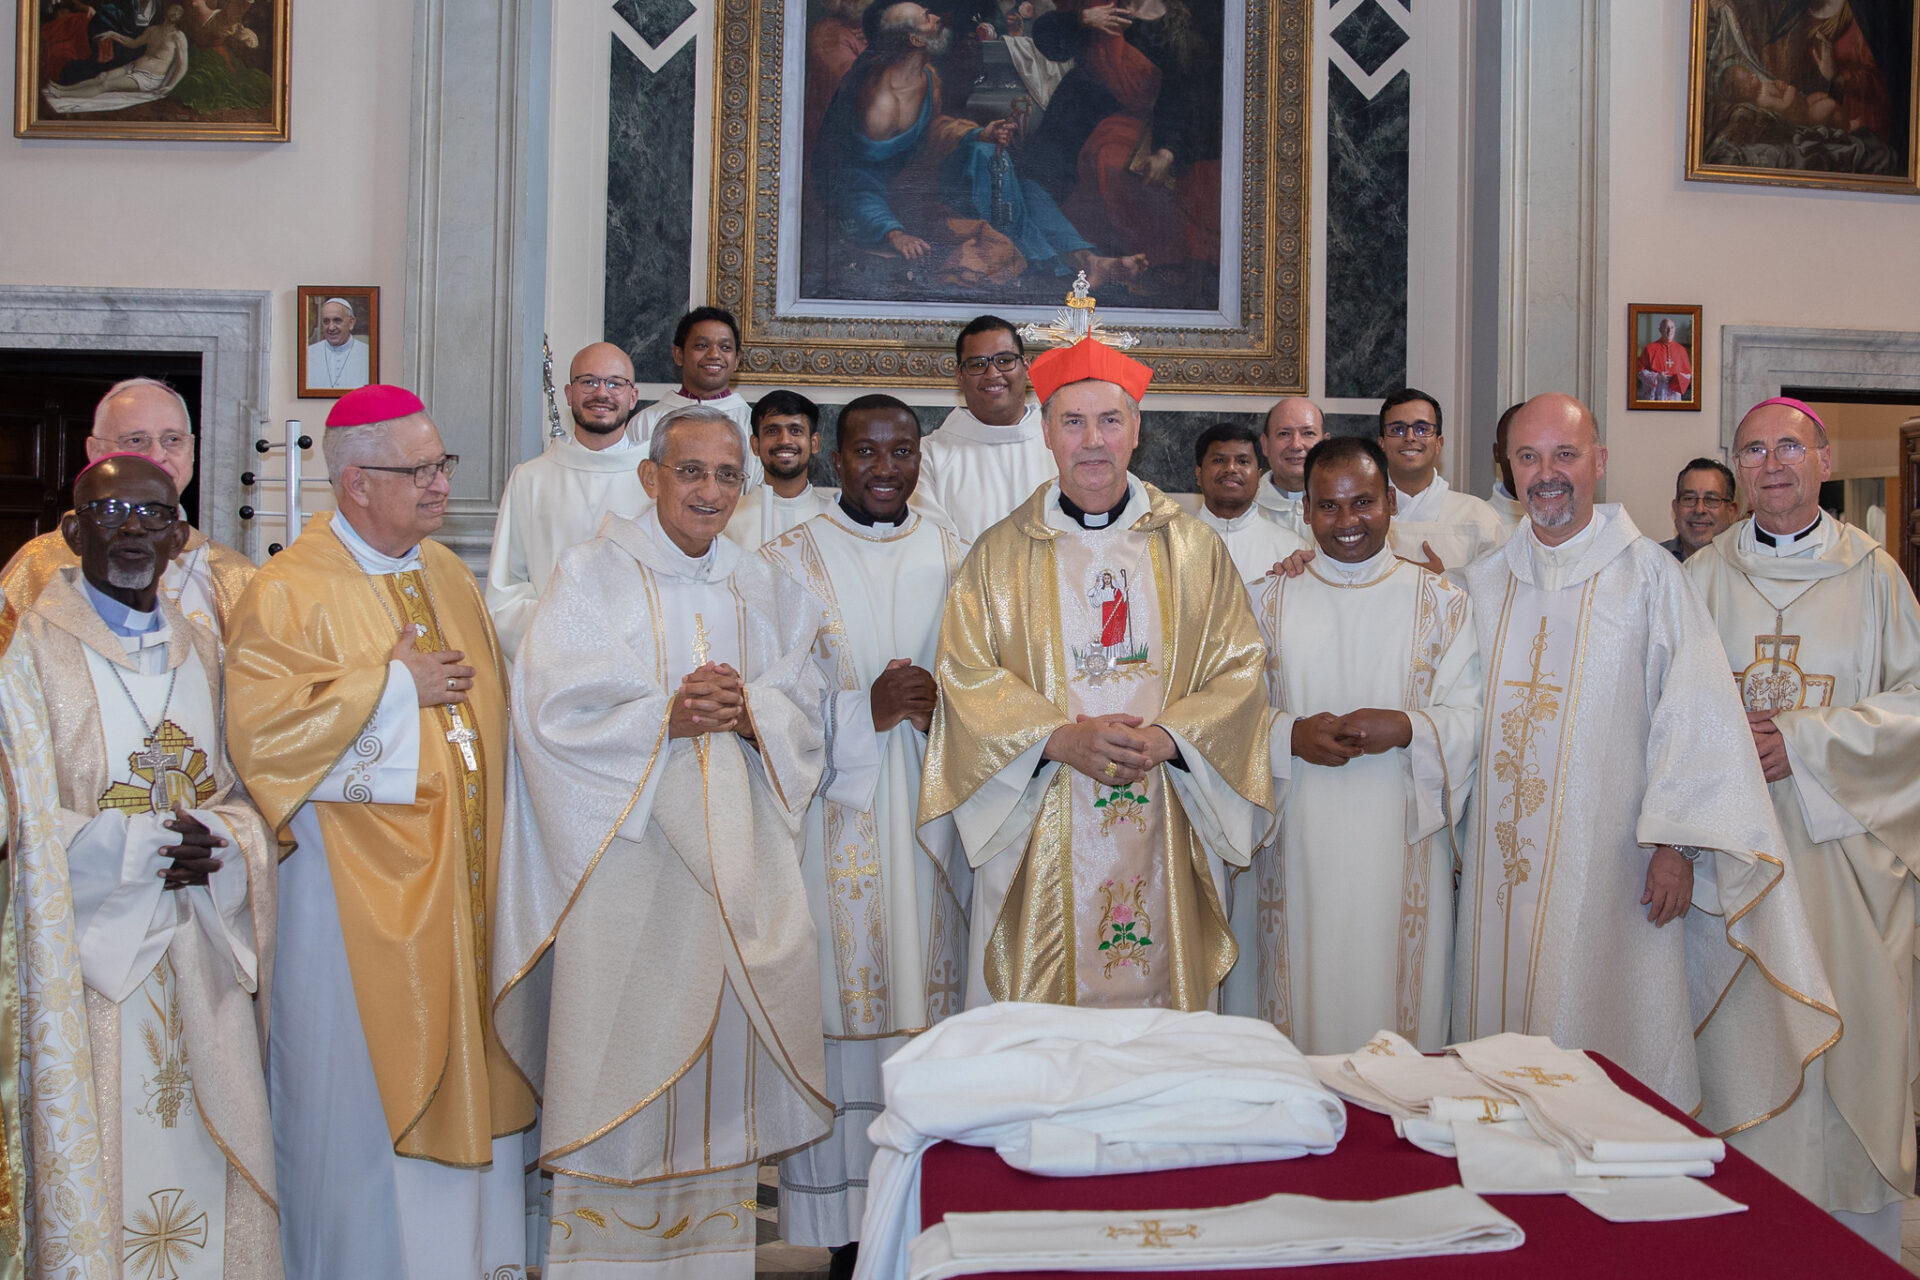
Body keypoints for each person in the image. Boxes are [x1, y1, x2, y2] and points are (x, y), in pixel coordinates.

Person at [496, 404, 831, 1278]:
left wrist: (753, 714)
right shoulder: (588, 577)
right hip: (629, 878)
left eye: (728, 476)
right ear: (651, 479)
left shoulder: (764, 587)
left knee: (716, 1100)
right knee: (619, 1069)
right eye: (691, 472)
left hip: (735, 872)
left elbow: (808, 705)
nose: (711, 491)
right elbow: (548, 716)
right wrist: (665, 717)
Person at [1451, 392, 1839, 1142]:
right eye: (1529, 458)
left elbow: (1694, 719)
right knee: (1498, 1063)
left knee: (1605, 1052)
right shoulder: (1484, 582)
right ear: (1508, 472)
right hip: (1499, 877)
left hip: (1618, 873)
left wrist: (1677, 845)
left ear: (1599, 461)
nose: (1547, 475)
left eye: (1565, 455)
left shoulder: (1650, 578)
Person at [224, 385, 534, 1280]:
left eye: (444, 464)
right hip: (348, 909)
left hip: (461, 892)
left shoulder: (444, 572)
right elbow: (266, 742)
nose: (441, 485)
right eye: (422, 469)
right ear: (356, 483)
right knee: (354, 1113)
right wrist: (393, 690)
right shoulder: (288, 591)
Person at [920, 333, 1272, 1011]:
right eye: (1072, 422)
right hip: (1043, 813)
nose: (1092, 441)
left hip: (1164, 810)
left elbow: (1241, 672)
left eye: (1110, 421)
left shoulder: (1194, 550)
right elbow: (964, 677)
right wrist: (1057, 739)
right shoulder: (998, 555)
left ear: (1136, 430)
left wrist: (1173, 739)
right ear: (1045, 432)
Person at [1, 454, 279, 1278]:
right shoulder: (26, 654)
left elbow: (244, 793)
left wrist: (228, 843)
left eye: (155, 514)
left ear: (181, 538)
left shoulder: (211, 649)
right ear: (74, 528)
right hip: (91, 970)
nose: (132, 528)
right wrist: (132, 848)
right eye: (111, 509)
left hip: (202, 954)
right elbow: (15, 819)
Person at [1686, 397, 1920, 1256]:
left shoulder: (1876, 575)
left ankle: (1854, 1246)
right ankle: (1742, 1246)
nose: (1772, 463)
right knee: (1743, 1045)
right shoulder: (1701, 577)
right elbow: (1660, 706)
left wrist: (1804, 744)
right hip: (1733, 858)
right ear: (1737, 468)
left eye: (1790, 447)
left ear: (1824, 461)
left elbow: (1916, 711)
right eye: (1753, 450)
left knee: (1852, 1048)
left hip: (1848, 866)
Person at [758, 394, 971, 1267]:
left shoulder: (961, 556)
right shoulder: (784, 562)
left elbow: (1004, 687)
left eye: (902, 451)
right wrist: (861, 711)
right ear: (831, 460)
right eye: (866, 452)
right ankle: (843, 1241)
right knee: (845, 1015)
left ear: (922, 457)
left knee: (936, 1010)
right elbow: (762, 705)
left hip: (935, 831)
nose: (886, 469)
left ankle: (931, 1218)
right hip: (831, 833)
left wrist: (944, 708)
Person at [1224, 437, 1481, 1052]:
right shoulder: (1263, 602)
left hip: (1399, 849)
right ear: (1305, 512)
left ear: (1391, 501)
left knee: (1394, 1017)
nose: (1347, 523)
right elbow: (1226, 717)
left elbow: (1472, 716)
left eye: (1363, 502)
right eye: (1329, 506)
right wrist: (1292, 733)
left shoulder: (1441, 605)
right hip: (1295, 843)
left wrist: (1412, 727)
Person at [811, 2, 1142, 296]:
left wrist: (979, 133)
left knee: (1024, 186)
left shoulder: (925, 77)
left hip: (929, 180)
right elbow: (855, 180)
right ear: (915, 40)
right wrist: (893, 232)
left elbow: (931, 135)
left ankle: (1089, 259)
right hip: (899, 205)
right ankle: (1059, 264)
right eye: (927, 18)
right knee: (992, 169)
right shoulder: (878, 106)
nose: (937, 18)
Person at [0, 376, 254, 651]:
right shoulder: (37, 566)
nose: (157, 455)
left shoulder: (234, 578)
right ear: (95, 451)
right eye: (136, 439)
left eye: (172, 439)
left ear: (191, 450)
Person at [485, 341, 647, 658]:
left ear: (633, 397)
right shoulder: (530, 479)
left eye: (615, 383)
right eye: (588, 381)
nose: (602, 393)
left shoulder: (659, 481)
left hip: (640, 658)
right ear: (569, 394)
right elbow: (506, 589)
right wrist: (566, 630)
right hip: (553, 658)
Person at [914, 316, 1057, 542]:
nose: (992, 374)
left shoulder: (1062, 443)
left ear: (1026, 366)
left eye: (1005, 360)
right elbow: (931, 545)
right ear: (959, 375)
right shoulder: (927, 457)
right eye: (977, 364)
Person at [1377, 388, 1507, 574]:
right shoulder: (1359, 512)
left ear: (1439, 443)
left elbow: (1497, 594)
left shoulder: (1477, 517)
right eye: (1397, 429)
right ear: (1381, 443)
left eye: (1422, 429)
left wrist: (1443, 582)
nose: (1410, 437)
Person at [1190, 421, 1305, 588]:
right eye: (1218, 460)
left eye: (1243, 461)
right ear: (1199, 474)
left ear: (1258, 477)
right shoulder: (1172, 543)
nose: (1231, 468)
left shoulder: (1291, 548)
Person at [626, 306, 752, 449]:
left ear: (736, 360)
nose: (714, 355)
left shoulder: (752, 425)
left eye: (725, 347)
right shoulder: (645, 423)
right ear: (679, 355)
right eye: (702, 345)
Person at [725, 388, 836, 547]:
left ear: (814, 443)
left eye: (795, 430)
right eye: (772, 431)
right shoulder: (729, 517)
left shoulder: (834, 518)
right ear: (755, 445)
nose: (784, 440)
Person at [41, 4, 187, 111]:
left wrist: (170, 86)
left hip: (148, 78)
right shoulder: (153, 30)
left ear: (181, 17)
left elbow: (182, 65)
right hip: (133, 66)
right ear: (167, 10)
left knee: (106, 85)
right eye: (174, 8)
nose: (175, 12)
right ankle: (63, 89)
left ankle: (60, 94)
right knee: (101, 77)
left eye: (179, 11)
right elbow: (133, 44)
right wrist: (113, 34)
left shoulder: (178, 36)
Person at [1251, 396, 1323, 536]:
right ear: (1265, 444)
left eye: (1308, 433)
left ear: (1325, 443)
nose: (1296, 445)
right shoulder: (1243, 506)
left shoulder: (1347, 506)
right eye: (1284, 434)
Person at [1662, 456, 1738, 561]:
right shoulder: (1653, 562)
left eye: (1711, 499)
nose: (1699, 509)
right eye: (1689, 499)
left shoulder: (1746, 568)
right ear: (1675, 508)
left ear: (1731, 512)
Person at [306, 297, 372, 390]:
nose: (331, 327)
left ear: (351, 323)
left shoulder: (367, 354)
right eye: (326, 321)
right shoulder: (308, 354)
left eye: (337, 320)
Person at [1486, 401, 1526, 529]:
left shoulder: (1573, 521)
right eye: (1513, 444)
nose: (1524, 457)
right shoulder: (1478, 520)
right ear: (1496, 453)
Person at [1636, 317, 1693, 403]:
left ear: (1675, 329)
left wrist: (1678, 379)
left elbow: (1688, 373)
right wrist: (1656, 377)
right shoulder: (1650, 348)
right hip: (1656, 390)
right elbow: (1639, 371)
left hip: (1674, 393)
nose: (1669, 331)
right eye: (1666, 328)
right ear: (1660, 330)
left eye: (1672, 327)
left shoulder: (1681, 349)